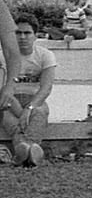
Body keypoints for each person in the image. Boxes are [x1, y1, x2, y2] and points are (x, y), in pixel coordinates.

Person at [1, 15, 56, 166]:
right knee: (8, 117)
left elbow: (46, 88)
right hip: (9, 101)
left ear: (35, 35)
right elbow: (2, 89)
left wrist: (29, 108)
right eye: (18, 33)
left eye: (27, 33)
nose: (22, 37)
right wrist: (21, 111)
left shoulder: (45, 55)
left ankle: (22, 152)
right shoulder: (3, 56)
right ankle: (33, 152)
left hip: (34, 100)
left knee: (40, 112)